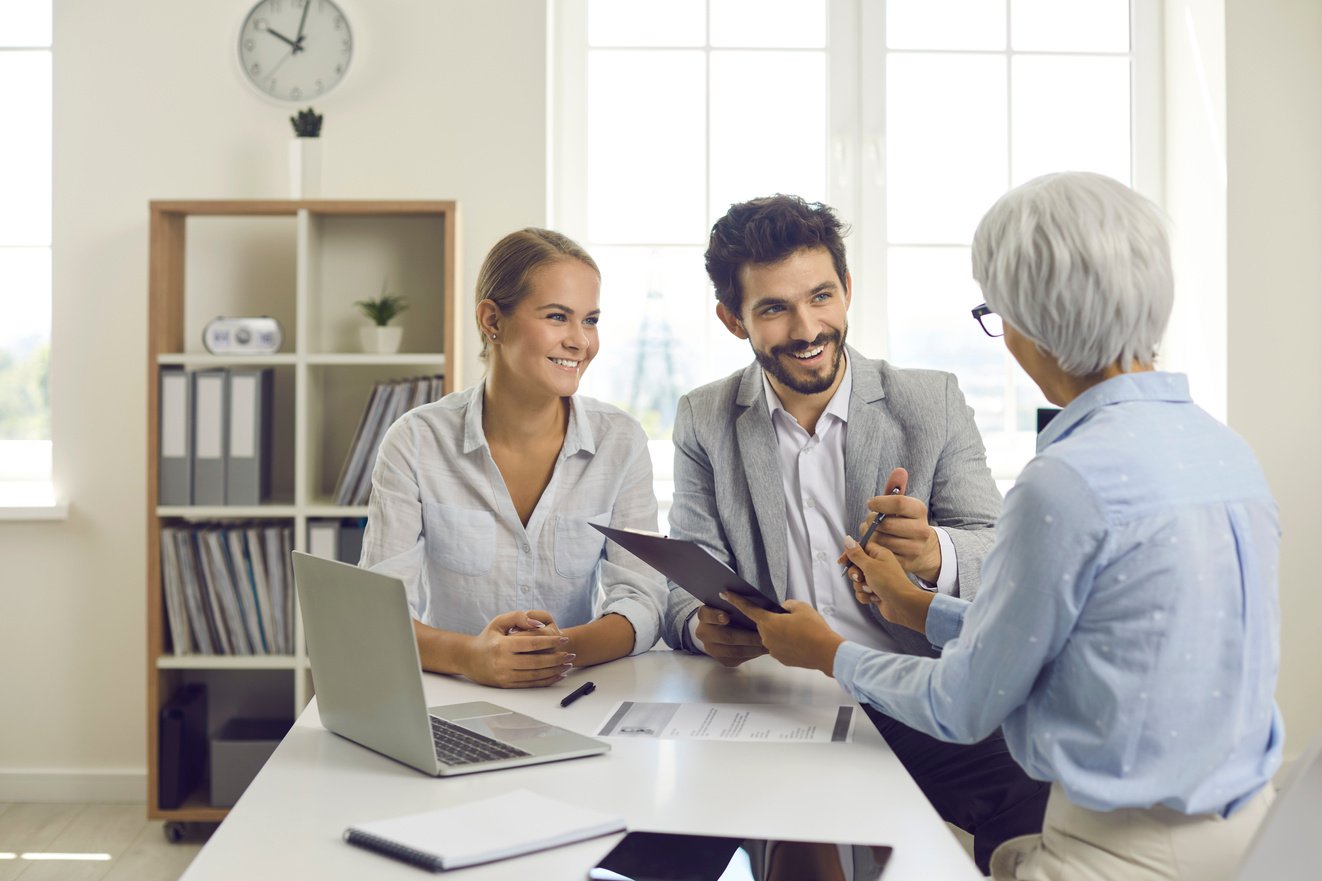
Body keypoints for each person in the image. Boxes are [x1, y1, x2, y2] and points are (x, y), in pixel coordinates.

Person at [725, 172, 1282, 881]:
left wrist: (828, 649)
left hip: (1112, 851)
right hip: (1254, 836)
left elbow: (961, 703)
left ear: (1029, 319)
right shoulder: (1223, 449)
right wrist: (921, 608)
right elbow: (1084, 643)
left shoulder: (1065, 480)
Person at [661, 194, 1048, 873]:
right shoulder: (704, 418)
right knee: (721, 839)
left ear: (847, 290)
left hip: (910, 687)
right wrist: (701, 626)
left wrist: (935, 553)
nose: (808, 327)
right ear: (732, 319)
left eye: (821, 296)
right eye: (774, 308)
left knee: (1027, 787)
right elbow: (683, 579)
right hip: (775, 697)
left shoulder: (929, 400)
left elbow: (994, 551)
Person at [359, 228, 666, 688]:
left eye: (591, 320)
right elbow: (379, 612)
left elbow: (643, 600)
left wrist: (553, 652)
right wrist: (472, 656)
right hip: (453, 692)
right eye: (558, 317)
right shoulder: (416, 441)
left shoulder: (619, 442)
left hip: (573, 692)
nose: (581, 342)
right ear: (492, 320)